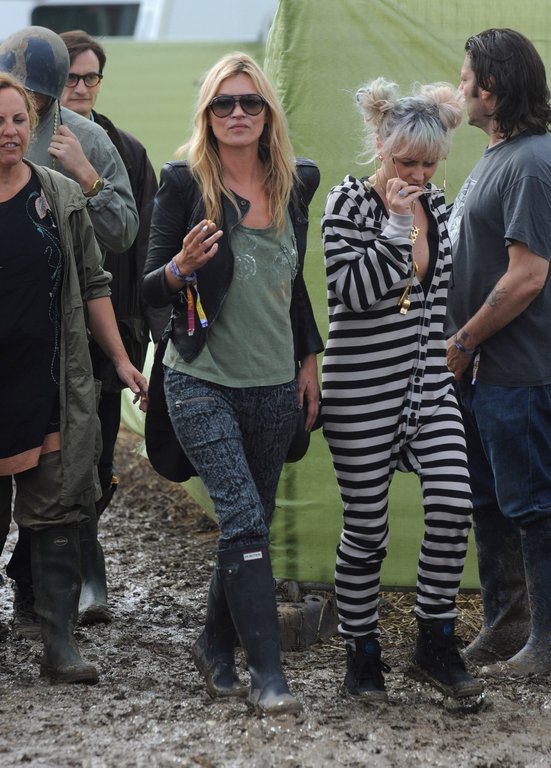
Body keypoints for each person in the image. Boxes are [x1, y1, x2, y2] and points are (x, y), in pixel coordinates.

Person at [142, 52, 323, 715]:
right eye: (224, 103)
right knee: (243, 518)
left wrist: (309, 358)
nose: (238, 113)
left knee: (251, 523)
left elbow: (290, 283)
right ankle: (268, 676)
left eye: (250, 102)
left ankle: (215, 647)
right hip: (200, 379)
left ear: (268, 112)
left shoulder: (296, 182)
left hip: (274, 385)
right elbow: (146, 289)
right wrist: (180, 267)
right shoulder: (184, 183)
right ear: (208, 114)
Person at [321, 77, 482, 702]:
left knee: (453, 504)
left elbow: (436, 297)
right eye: (405, 161)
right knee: (367, 532)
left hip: (428, 387)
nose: (415, 175)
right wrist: (392, 225)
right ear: (381, 147)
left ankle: (434, 643)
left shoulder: (436, 208)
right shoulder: (348, 202)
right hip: (360, 392)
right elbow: (353, 293)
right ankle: (362, 654)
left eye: (428, 164)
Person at [0, 72, 147, 683]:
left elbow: (93, 283)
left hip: (51, 385)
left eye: (17, 120)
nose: (8, 131)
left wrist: (121, 359)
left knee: (58, 513)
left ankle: (59, 644)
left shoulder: (58, 195)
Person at [446, 28, 551, 679]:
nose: (458, 88)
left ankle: (546, 645)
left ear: (491, 87)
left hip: (518, 372)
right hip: (483, 375)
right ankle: (506, 624)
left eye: (465, 78)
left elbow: (528, 275)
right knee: (488, 500)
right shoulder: (497, 156)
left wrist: (463, 339)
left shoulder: (532, 162)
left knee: (534, 508)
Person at [55, 29, 160, 623]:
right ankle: (39, 574)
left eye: (89, 77)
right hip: (47, 327)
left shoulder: (128, 152)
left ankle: (84, 570)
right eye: (69, 77)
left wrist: (141, 335)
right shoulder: (26, 142)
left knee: (95, 454)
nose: (80, 87)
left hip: (111, 324)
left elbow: (142, 246)